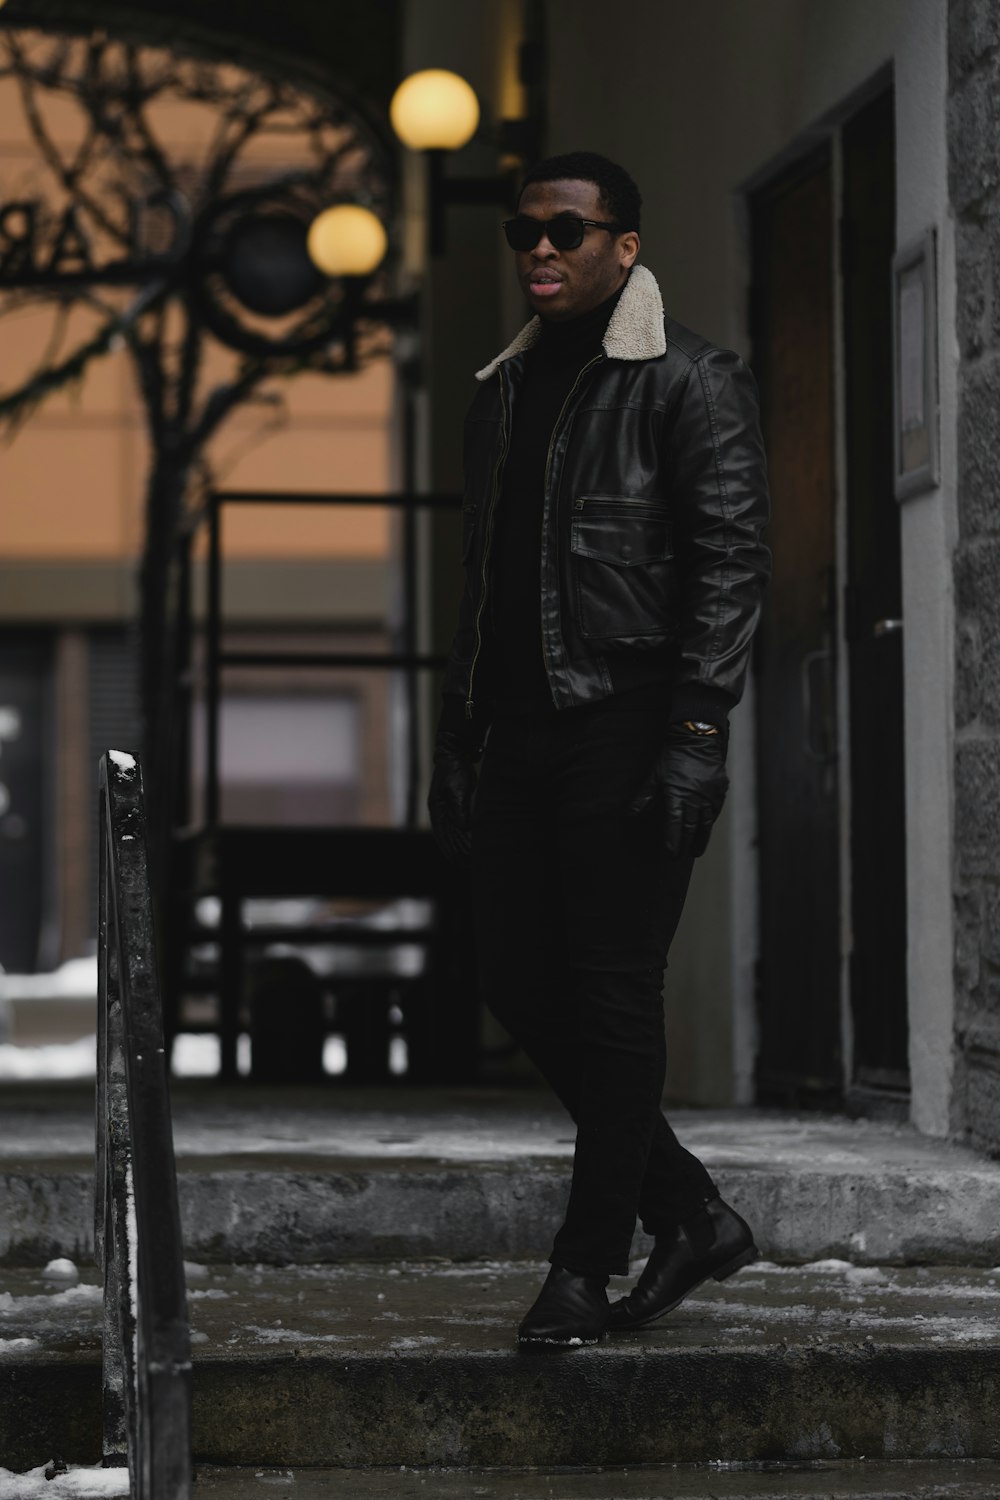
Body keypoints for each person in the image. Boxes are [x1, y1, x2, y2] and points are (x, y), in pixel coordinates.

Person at [428, 151, 771, 1346]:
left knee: (611, 989)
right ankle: (692, 1213)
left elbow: (730, 569)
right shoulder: (504, 396)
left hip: (630, 724)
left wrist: (692, 735)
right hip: (518, 733)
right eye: (525, 230)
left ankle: (583, 1266)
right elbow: (485, 588)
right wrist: (461, 736)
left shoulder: (690, 382)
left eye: (569, 231)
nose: (542, 249)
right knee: (515, 977)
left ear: (623, 247)